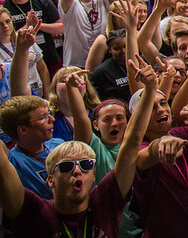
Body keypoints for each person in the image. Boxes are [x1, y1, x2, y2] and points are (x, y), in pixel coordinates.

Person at [0, 51, 159, 237]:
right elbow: (3, 166)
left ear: (94, 177)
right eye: (67, 166)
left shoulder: (105, 201)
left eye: (86, 165)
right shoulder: (35, 211)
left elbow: (132, 142)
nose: (77, 171)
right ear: (50, 179)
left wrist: (150, 90)